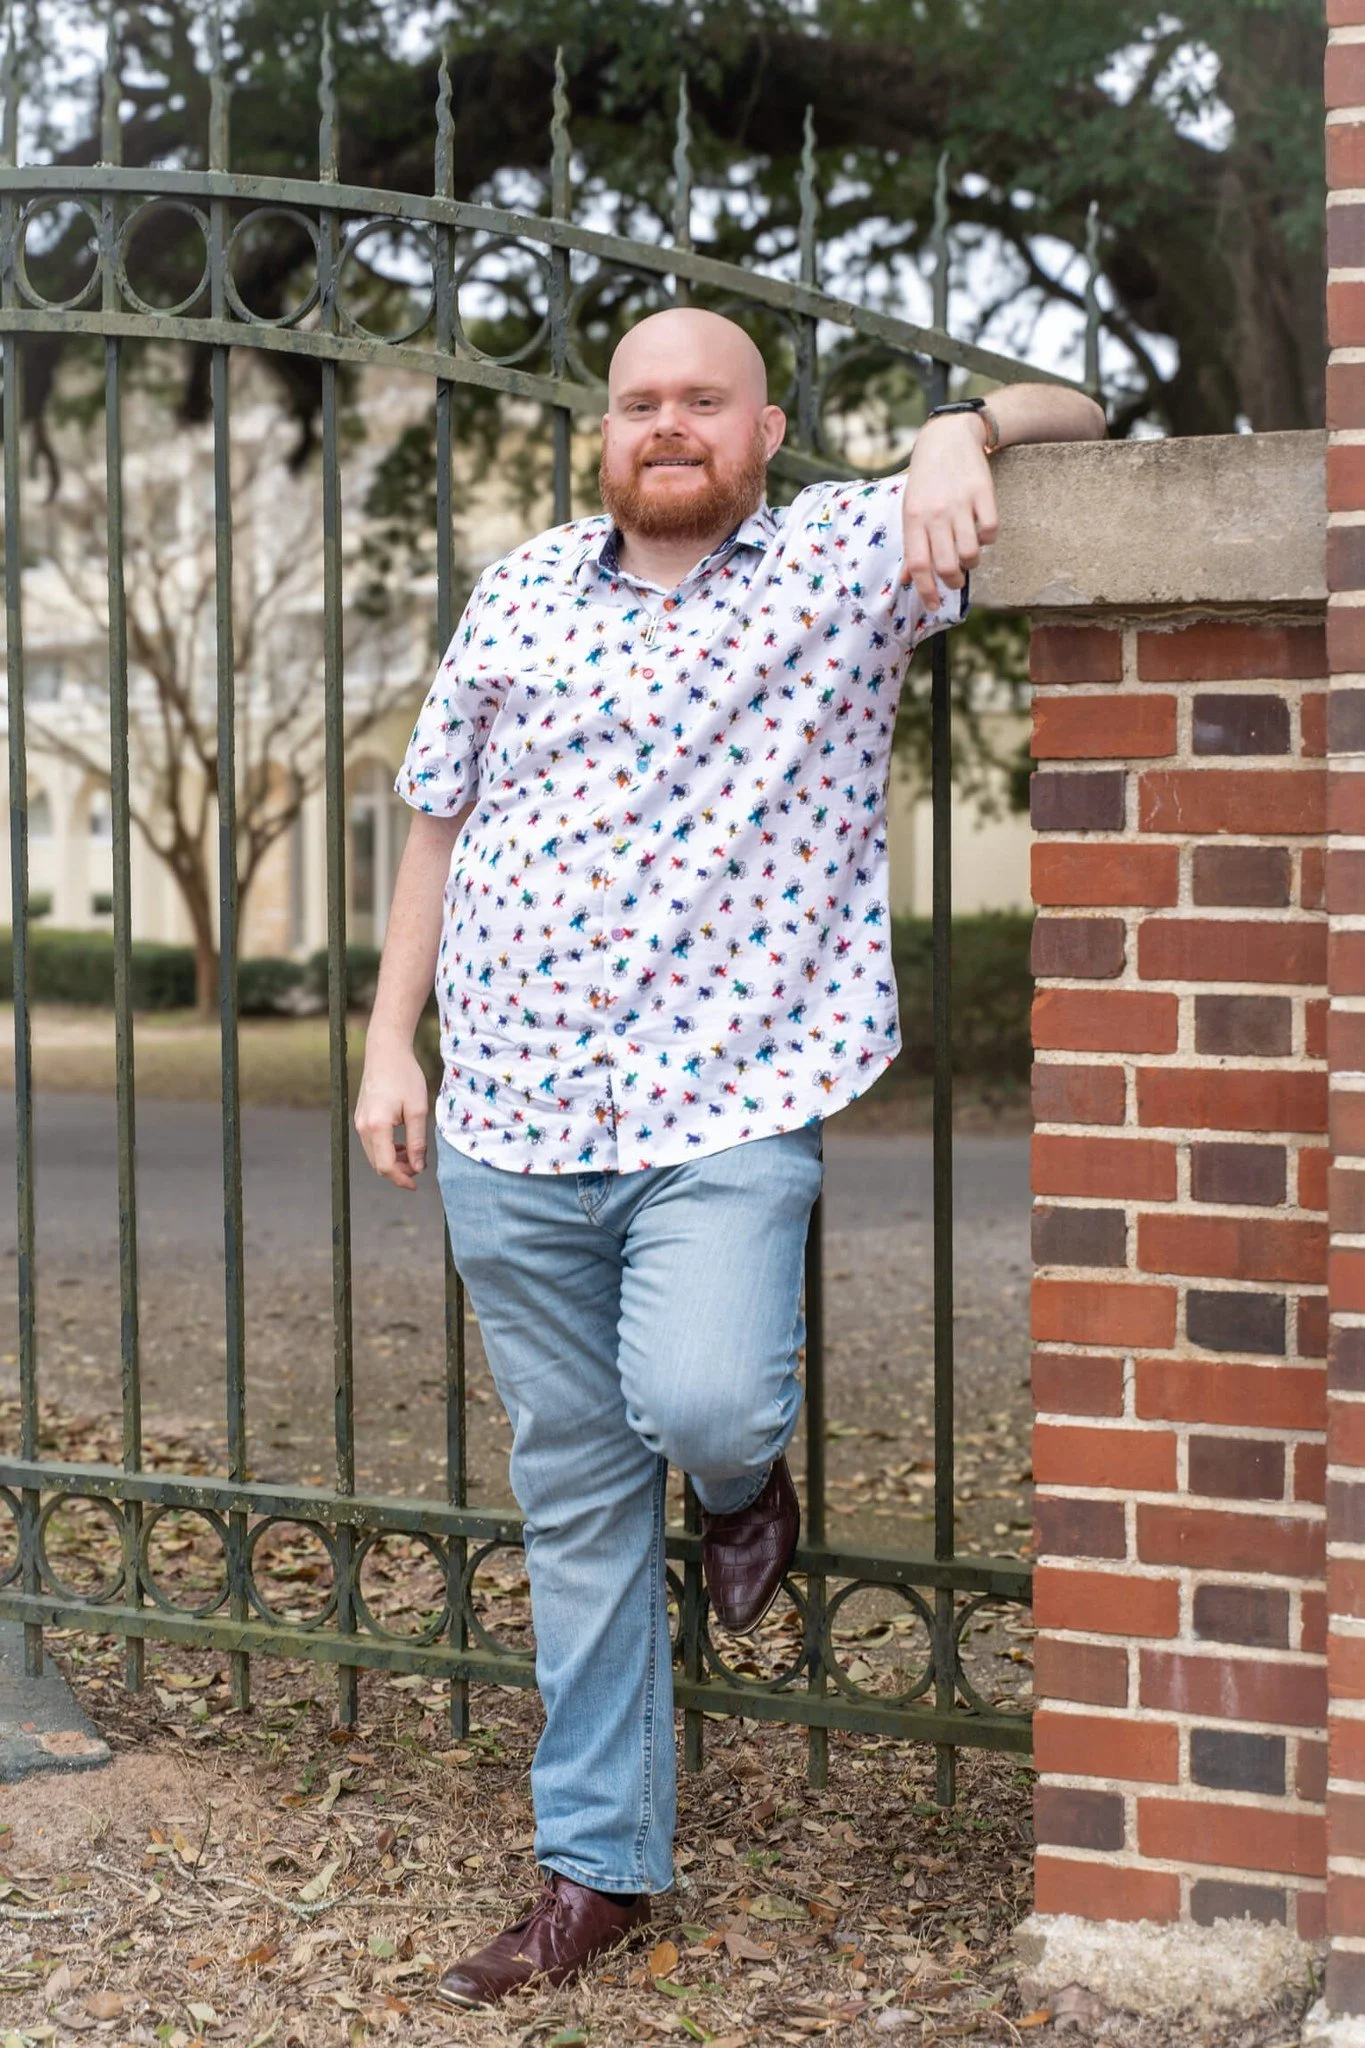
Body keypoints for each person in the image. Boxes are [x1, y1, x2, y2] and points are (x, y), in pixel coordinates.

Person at [355, 308, 1105, 2007]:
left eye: (703, 401)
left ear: (767, 433)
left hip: (726, 1110)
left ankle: (740, 1481)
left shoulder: (850, 552)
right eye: (638, 403)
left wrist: (957, 432)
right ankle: (597, 1871)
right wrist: (391, 1045)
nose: (666, 425)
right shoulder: (522, 590)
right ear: (604, 433)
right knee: (572, 1501)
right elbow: (438, 819)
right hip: (511, 1121)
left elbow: (1087, 407)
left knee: (699, 1400)